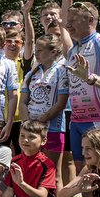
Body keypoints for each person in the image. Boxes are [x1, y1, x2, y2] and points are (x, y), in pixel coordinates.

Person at [63, 0, 100, 171]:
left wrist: (91, 78)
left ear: (90, 20)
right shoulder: (74, 50)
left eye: (73, 20)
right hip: (76, 120)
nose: (68, 24)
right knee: (82, 172)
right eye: (68, 20)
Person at [21, 34, 69, 170]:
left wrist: (41, 120)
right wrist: (26, 123)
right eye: (35, 50)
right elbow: (23, 101)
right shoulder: (31, 74)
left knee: (52, 173)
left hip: (53, 128)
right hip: (31, 128)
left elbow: (61, 103)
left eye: (40, 50)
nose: (36, 54)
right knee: (32, 169)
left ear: (53, 52)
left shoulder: (62, 72)